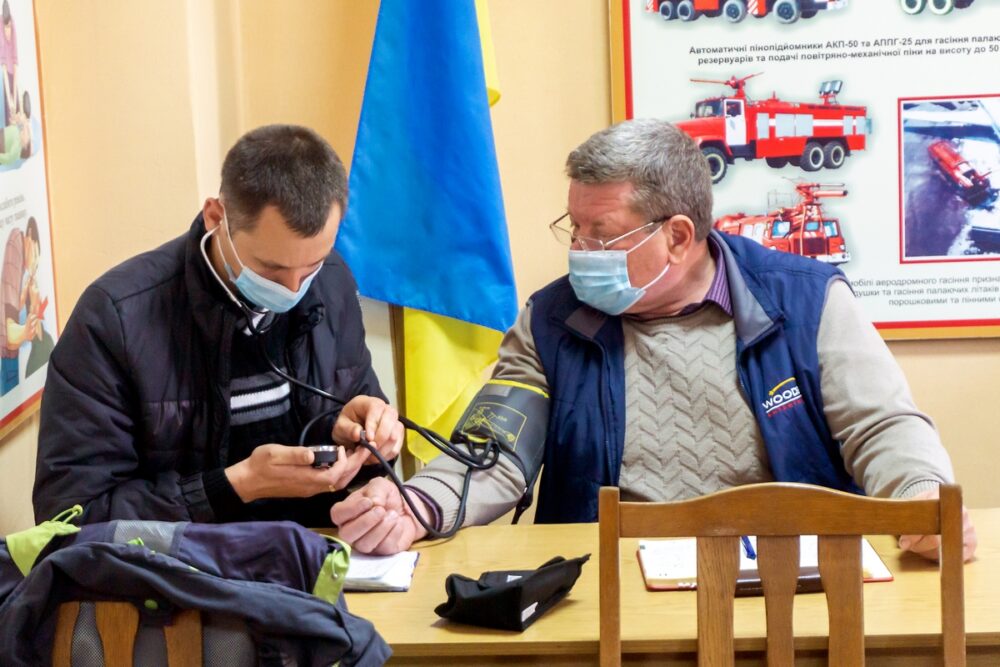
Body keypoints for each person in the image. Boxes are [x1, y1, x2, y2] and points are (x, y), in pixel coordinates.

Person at [332, 119, 978, 562]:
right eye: (574, 228)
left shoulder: (806, 301)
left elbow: (881, 426)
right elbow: (493, 453)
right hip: (609, 591)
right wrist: (417, 503)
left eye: (601, 234)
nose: (579, 251)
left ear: (676, 235)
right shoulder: (552, 320)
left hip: (788, 584)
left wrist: (920, 499)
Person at [33, 124, 404, 526]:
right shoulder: (114, 318)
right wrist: (238, 485)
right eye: (270, 270)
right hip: (187, 561)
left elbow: (359, 438)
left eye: (311, 265)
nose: (293, 289)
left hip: (318, 548)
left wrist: (369, 446)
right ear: (216, 217)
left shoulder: (331, 282)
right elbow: (68, 520)